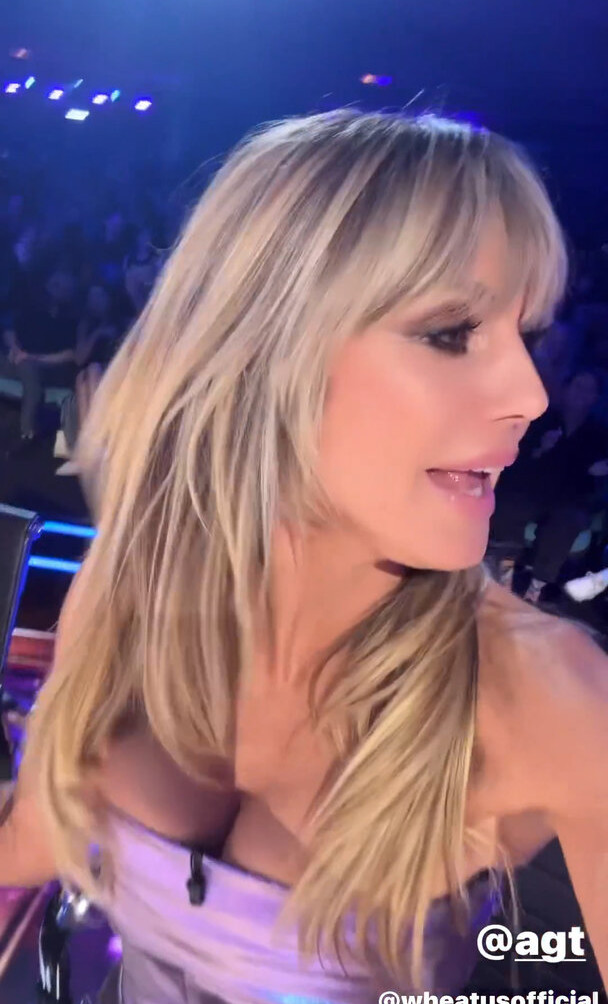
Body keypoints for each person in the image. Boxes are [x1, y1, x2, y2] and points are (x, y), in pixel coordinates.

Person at [1, 111, 607, 1003]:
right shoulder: (130, 583)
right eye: (451, 333)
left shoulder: (546, 695)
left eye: (529, 336)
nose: (530, 393)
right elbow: (35, 838)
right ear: (266, 345)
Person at [491, 369, 608, 602]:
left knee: (568, 521)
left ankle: (535, 590)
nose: (582, 394)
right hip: (534, 491)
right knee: (510, 505)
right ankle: (504, 579)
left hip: (571, 499)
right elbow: (516, 460)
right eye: (578, 387)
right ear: (565, 390)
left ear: (596, 397)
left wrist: (601, 472)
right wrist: (540, 449)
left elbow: (597, 478)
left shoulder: (599, 434)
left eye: (589, 390)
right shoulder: (542, 420)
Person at [0, 266, 78, 443]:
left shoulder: (70, 320)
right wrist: (15, 348)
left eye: (62, 285)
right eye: (54, 284)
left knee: (28, 371)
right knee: (20, 364)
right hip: (18, 362)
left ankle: (27, 431)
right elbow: (9, 329)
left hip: (48, 368)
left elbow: (71, 355)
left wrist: (32, 358)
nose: (56, 289)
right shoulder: (33, 309)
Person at [56, 282, 125, 475]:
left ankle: (96, 447)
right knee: (85, 377)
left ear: (109, 298)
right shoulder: (86, 324)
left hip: (117, 372)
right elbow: (80, 358)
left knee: (94, 373)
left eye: (100, 296)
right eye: (92, 297)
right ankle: (85, 449)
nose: (96, 301)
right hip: (89, 372)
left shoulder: (122, 322)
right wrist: (97, 334)